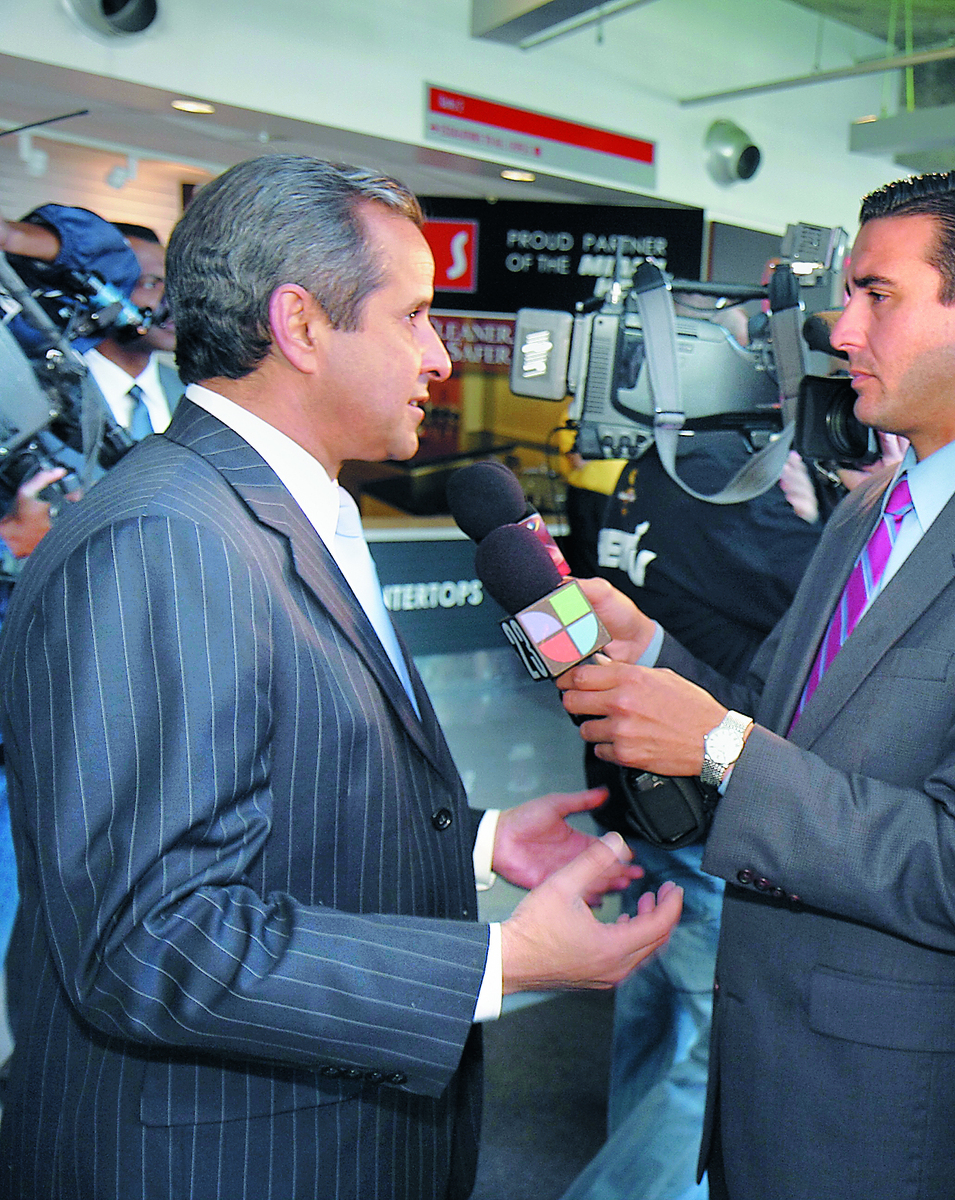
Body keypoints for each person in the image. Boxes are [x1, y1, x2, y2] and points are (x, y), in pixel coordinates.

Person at [0, 154, 682, 1200]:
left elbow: (268, 793)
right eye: (412, 316)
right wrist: (502, 966)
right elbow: (153, 940)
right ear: (302, 325)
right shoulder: (167, 541)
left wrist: (484, 842)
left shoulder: (282, 509)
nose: (441, 357)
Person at [559, 170, 955, 1199]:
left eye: (877, 296)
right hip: (766, 1066)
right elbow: (780, 718)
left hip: (887, 1116)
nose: (840, 330)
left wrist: (720, 745)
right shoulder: (871, 509)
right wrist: (659, 661)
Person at [561, 428, 828, 1200]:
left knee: (656, 1038)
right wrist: (826, 517)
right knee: (713, 1064)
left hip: (649, 806)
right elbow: (836, 602)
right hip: (704, 811)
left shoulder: (645, 471)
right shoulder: (717, 480)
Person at [80, 222, 182, 441]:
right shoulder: (43, 394)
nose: (174, 302)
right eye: (150, 284)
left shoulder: (191, 393)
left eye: (175, 285)